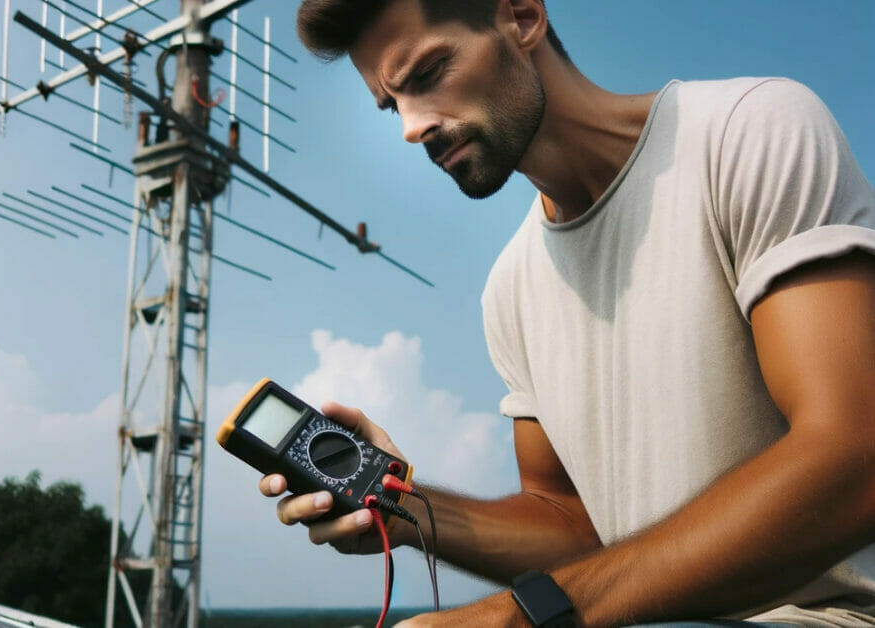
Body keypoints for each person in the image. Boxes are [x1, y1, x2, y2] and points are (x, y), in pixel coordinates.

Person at [260, 1, 875, 625]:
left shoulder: (749, 130)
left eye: (426, 74)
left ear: (522, 19)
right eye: (393, 105)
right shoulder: (509, 288)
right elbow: (580, 535)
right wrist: (404, 506)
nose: (412, 127)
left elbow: (856, 458)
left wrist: (516, 617)